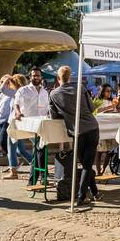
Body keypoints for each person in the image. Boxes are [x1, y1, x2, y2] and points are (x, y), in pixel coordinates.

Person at [48, 65, 99, 206]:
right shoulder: (80, 88)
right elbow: (91, 108)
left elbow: (54, 116)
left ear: (58, 78)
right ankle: (85, 195)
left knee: (85, 164)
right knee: (86, 164)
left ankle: (85, 195)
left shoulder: (53, 94)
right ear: (70, 77)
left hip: (76, 130)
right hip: (91, 127)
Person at [0, 75, 22, 180]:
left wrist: (9, 78)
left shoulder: (14, 92)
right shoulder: (6, 94)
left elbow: (2, 89)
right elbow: (1, 105)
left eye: (3, 81)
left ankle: (14, 168)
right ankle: (13, 166)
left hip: (10, 121)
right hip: (5, 120)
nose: (1, 83)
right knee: (19, 149)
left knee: (5, 144)